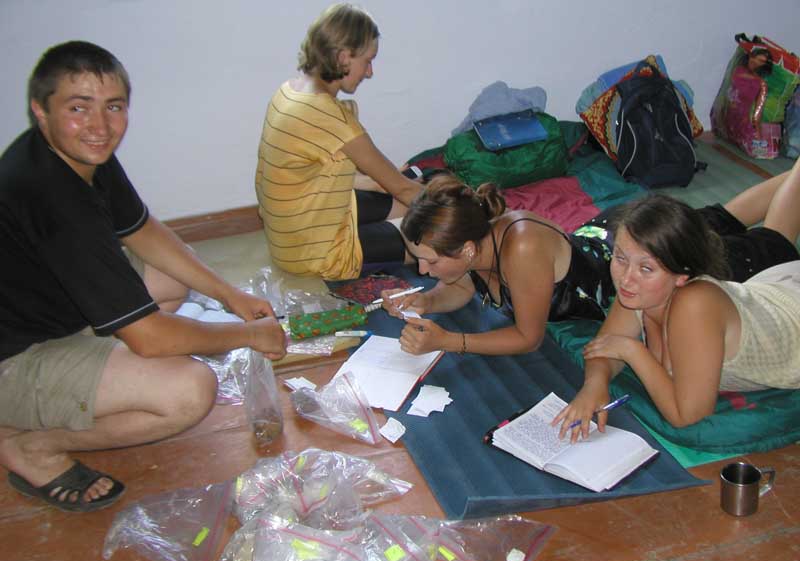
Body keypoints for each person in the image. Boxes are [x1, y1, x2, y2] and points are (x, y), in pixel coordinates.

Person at [0, 41, 287, 512]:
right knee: (189, 391)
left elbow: (142, 229)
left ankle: (93, 369)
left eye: (113, 107)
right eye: (78, 108)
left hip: (42, 311)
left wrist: (229, 295)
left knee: (171, 276)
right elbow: (150, 339)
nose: (100, 126)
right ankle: (31, 446)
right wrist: (249, 334)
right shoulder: (51, 198)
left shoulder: (77, 154)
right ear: (40, 109)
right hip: (14, 360)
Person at [382, 168, 800, 358]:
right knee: (717, 218)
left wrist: (449, 341)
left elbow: (528, 337)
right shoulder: (475, 240)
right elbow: (460, 285)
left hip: (633, 264)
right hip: (608, 238)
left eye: (429, 262)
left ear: (467, 250)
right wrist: (425, 302)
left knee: (770, 243)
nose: (422, 272)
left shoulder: (521, 250)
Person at [554, 158, 800, 441]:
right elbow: (604, 347)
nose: (626, 279)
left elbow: (687, 415)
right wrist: (593, 387)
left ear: (682, 276)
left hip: (792, 317)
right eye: (620, 258)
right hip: (770, 293)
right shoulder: (637, 291)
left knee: (776, 237)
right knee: (776, 234)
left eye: (646, 268)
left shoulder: (694, 305)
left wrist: (633, 351)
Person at [255, 3, 422, 281]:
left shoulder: (289, 91)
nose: (370, 72)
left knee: (409, 204)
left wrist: (377, 184)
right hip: (313, 254)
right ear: (344, 57)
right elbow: (404, 188)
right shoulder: (330, 118)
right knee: (432, 234)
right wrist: (467, 212)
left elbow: (315, 174)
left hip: (292, 233)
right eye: (367, 61)